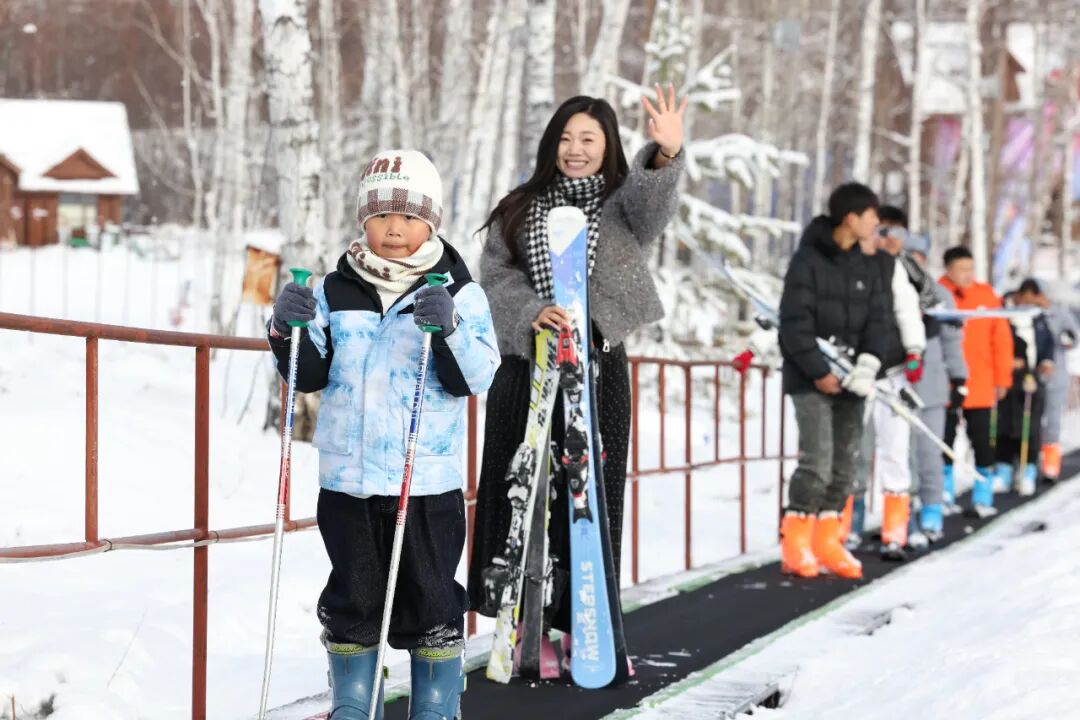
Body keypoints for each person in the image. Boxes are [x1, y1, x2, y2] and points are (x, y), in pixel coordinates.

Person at [268, 149, 500, 719]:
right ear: (362, 220)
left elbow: (476, 374)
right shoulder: (335, 288)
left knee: (432, 598)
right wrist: (285, 327)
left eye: (410, 215)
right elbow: (308, 373)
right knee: (353, 596)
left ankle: (437, 706)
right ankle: (352, 703)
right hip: (347, 479)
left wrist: (446, 328)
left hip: (423, 482)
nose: (395, 228)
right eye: (380, 214)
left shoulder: (458, 292)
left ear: (432, 221)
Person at [468, 88, 686, 669]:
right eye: (565, 137)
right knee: (524, 492)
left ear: (609, 145)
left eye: (589, 138)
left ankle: (582, 626)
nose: (575, 149)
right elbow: (493, 278)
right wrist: (530, 313)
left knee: (590, 496)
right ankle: (525, 621)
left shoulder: (622, 206)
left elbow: (653, 207)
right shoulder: (520, 205)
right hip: (527, 368)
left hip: (598, 364)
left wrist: (665, 155)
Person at [777, 182, 886, 579]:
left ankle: (828, 540)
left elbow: (879, 319)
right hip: (811, 379)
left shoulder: (867, 264)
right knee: (817, 462)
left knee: (846, 467)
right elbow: (793, 322)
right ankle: (796, 542)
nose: (876, 224)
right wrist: (819, 371)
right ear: (851, 218)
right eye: (872, 216)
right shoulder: (807, 260)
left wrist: (869, 364)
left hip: (853, 381)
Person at [845, 206, 926, 560]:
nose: (885, 238)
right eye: (879, 230)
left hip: (892, 373)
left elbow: (910, 308)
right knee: (851, 452)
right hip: (855, 370)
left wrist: (914, 349)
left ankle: (897, 530)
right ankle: (847, 528)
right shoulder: (844, 264)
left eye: (892, 232)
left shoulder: (898, 267)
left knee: (895, 451)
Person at [938, 246, 1014, 517]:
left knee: (982, 441)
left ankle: (983, 495)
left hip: (981, 384)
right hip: (944, 384)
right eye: (962, 269)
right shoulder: (937, 294)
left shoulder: (986, 296)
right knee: (942, 440)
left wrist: (1002, 378)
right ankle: (942, 494)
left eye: (971, 269)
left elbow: (1001, 340)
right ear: (948, 270)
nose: (968, 275)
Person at [905, 232, 967, 540]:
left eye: (919, 257)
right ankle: (901, 515)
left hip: (932, 387)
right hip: (898, 386)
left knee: (929, 453)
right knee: (901, 457)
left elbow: (953, 342)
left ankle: (931, 509)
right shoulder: (887, 288)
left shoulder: (941, 296)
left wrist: (959, 378)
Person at [995, 282, 1055, 496]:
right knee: (1005, 423)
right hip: (1006, 377)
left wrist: (1045, 362)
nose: (1028, 302)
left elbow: (1049, 343)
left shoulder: (1040, 317)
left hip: (1031, 377)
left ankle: (1028, 469)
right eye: (1025, 298)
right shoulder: (1003, 313)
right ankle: (1004, 468)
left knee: (1030, 424)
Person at [1019, 279, 1078, 482]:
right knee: (1030, 419)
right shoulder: (1026, 315)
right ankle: (1028, 463)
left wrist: (1065, 340)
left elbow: (1072, 337)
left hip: (1055, 375)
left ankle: (1051, 465)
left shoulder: (1059, 313)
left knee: (1052, 421)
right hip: (1031, 376)